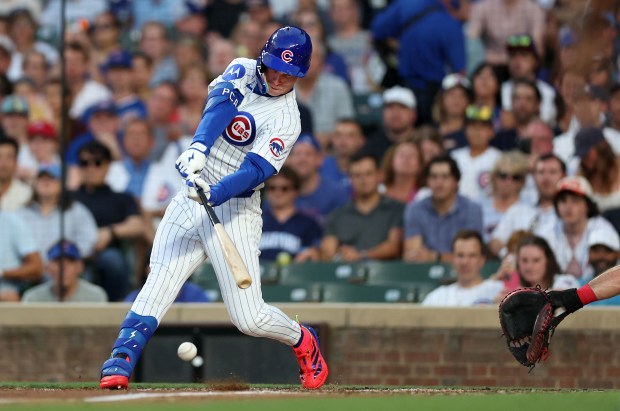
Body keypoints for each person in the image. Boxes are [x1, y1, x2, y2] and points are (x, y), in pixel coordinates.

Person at [99, 26, 328, 391]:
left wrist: (217, 191)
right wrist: (199, 149)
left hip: (236, 207)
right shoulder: (242, 68)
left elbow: (256, 171)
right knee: (160, 277)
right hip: (192, 194)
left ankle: (302, 338)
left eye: (291, 74)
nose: (281, 78)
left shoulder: (288, 119)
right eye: (275, 68)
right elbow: (221, 104)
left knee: (249, 318)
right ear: (263, 59)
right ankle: (122, 356)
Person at [372, 0, 466, 125]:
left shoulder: (407, 3)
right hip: (434, 90)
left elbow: (377, 29)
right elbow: (460, 70)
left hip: (404, 84)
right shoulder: (450, 23)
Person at [72, 141, 145, 301]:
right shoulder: (69, 198)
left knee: (113, 260)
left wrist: (110, 232)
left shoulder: (121, 198)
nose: (91, 168)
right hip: (73, 253)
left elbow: (138, 225)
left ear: (108, 166)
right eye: (85, 163)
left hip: (106, 252)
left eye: (97, 162)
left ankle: (118, 307)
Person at [320, 152, 404, 262]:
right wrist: (340, 255)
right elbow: (328, 251)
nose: (363, 180)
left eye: (368, 174)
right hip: (346, 273)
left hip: (386, 274)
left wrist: (361, 255)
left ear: (379, 175)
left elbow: (394, 247)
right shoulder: (337, 215)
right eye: (357, 175)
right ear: (350, 178)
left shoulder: (396, 209)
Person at [403, 154, 483, 263]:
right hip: (423, 274)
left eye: (445, 177)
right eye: (434, 177)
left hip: (460, 274)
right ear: (427, 181)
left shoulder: (472, 210)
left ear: (455, 182)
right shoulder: (415, 209)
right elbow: (412, 255)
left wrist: (436, 257)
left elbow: (470, 257)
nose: (439, 183)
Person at [539, 175, 617, 278]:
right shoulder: (547, 229)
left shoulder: (603, 229)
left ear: (587, 205)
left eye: (575, 200)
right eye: (563, 201)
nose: (568, 207)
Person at [489, 153, 566, 257]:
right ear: (533, 176)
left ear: (564, 176)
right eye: (541, 172)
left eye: (552, 172)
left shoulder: (571, 212)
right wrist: (511, 257)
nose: (546, 178)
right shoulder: (519, 209)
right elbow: (495, 241)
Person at [18, 164, 98, 263]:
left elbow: (88, 243)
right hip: (27, 271)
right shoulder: (21, 213)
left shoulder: (77, 211)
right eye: (41, 178)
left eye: (52, 178)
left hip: (64, 270)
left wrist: (67, 259)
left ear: (62, 184)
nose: (46, 181)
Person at [421, 230, 503, 306]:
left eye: (472, 256)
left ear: (482, 260)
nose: (465, 262)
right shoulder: (438, 297)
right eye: (460, 255)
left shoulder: (499, 291)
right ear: (452, 258)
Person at [260, 166, 322, 263]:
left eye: (284, 188)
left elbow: (317, 255)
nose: (278, 192)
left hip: (296, 276)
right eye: (272, 188)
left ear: (295, 191)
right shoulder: (256, 221)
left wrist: (313, 253)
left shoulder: (308, 224)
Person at [493, 235, 580, 303]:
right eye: (524, 260)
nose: (529, 267)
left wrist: (517, 296)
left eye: (536, 260)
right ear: (517, 263)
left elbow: (565, 296)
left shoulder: (565, 280)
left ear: (548, 261)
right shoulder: (506, 289)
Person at [286, 133, 349, 225]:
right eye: (298, 154)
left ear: (320, 159)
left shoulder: (337, 193)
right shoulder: (279, 190)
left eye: (308, 154)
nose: (302, 159)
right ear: (290, 160)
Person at [22, 240, 108, 303]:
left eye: (70, 262)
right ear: (47, 267)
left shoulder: (95, 297)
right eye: (58, 262)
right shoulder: (33, 299)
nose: (64, 268)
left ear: (80, 267)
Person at [450, 104, 501, 202]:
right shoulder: (454, 157)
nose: (477, 132)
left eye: (482, 128)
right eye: (472, 127)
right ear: (465, 131)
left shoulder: (499, 159)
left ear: (492, 132)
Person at [478, 151, 529, 242]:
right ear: (494, 177)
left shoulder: (529, 208)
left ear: (522, 181)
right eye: (503, 176)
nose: (508, 182)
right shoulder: (478, 206)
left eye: (515, 177)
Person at [380, 139, 424, 204]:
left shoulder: (424, 195)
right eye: (401, 155)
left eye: (411, 155)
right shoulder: (379, 190)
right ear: (391, 161)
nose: (406, 158)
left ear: (420, 164)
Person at [0, 137, 32, 211]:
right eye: (0, 157)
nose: (3, 163)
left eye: (9, 157)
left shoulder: (26, 193)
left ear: (16, 161)